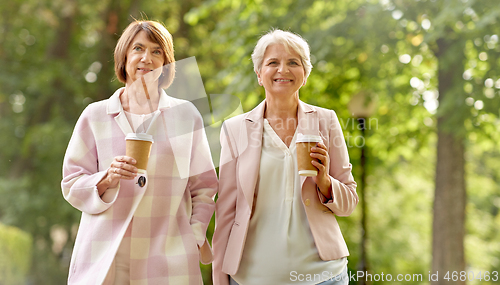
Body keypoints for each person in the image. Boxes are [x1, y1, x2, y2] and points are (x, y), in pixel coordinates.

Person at [62, 20, 218, 285]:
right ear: (125, 56)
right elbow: (71, 183)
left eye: (157, 52)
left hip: (168, 258)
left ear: (166, 63)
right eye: (138, 48)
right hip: (105, 256)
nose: (147, 58)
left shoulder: (185, 116)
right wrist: (107, 178)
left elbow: (203, 187)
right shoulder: (95, 115)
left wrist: (193, 236)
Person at [213, 30, 358, 285]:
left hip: (324, 277)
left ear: (305, 74)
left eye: (293, 62)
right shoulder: (235, 129)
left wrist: (325, 182)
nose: (283, 69)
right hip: (252, 278)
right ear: (259, 74)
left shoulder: (326, 121)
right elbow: (226, 210)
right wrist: (219, 278)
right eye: (273, 63)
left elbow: (349, 203)